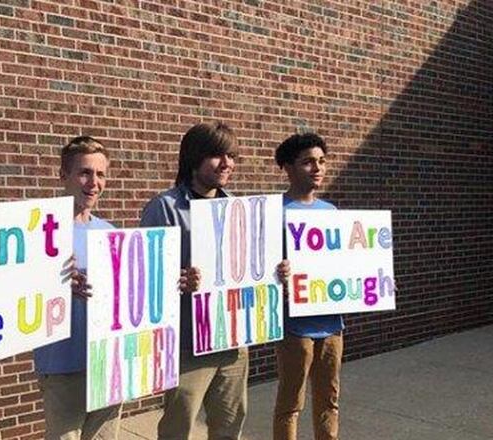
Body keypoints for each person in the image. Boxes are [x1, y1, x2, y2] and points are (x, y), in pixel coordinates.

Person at [140, 121, 249, 440]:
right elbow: (144, 275)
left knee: (230, 425)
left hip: (232, 341)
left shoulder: (238, 209)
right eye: (217, 154)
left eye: (231, 155)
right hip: (187, 343)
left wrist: (275, 273)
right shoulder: (165, 207)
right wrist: (175, 280)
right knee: (179, 427)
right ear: (194, 158)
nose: (227, 163)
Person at [33, 136, 121, 440]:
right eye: (85, 172)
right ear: (63, 175)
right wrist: (55, 283)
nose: (93, 182)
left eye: (100, 174)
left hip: (108, 362)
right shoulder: (41, 231)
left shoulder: (110, 232)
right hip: (61, 363)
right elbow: (20, 293)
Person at [273, 132, 342, 440]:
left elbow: (347, 263)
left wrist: (375, 281)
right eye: (308, 162)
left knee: (329, 400)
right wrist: (277, 274)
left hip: (332, 325)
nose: (318, 168)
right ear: (287, 167)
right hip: (295, 327)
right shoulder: (274, 212)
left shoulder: (331, 212)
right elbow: (259, 270)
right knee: (291, 404)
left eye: (322, 161)